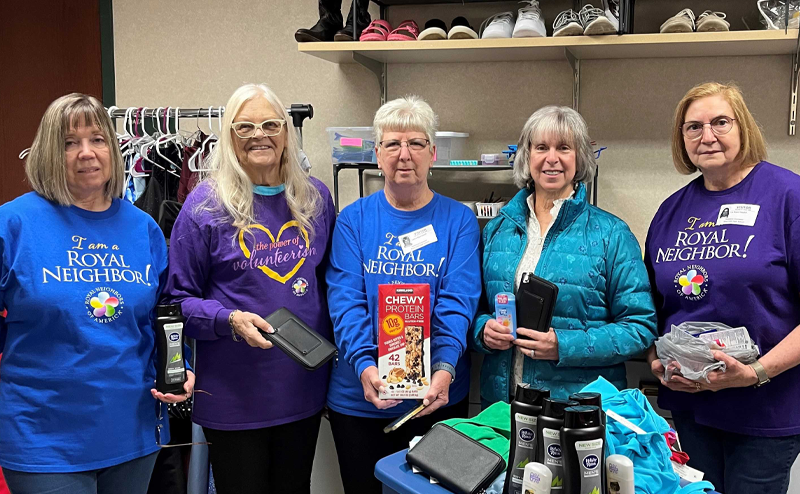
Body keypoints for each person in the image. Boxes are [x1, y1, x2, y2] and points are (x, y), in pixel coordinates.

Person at [0, 93, 193, 494]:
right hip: (44, 438)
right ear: (49, 152)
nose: (86, 153)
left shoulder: (143, 228)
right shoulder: (14, 224)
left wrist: (181, 367)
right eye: (69, 143)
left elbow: (161, 318)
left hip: (133, 433)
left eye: (98, 139)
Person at [163, 84, 335, 494]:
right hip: (234, 397)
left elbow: (330, 286)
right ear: (230, 138)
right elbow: (176, 301)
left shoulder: (315, 198)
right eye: (245, 127)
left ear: (286, 134)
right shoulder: (204, 206)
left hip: (302, 388)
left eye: (270, 124)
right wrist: (228, 320)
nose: (260, 134)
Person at [645, 82, 800, 494]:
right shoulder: (671, 211)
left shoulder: (788, 196)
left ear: (743, 127)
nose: (706, 136)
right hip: (693, 404)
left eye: (720, 122)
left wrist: (754, 373)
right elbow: (656, 306)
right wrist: (656, 360)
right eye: (692, 127)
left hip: (764, 407)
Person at [326, 96, 481, 494]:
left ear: (432, 153)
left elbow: (457, 302)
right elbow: (346, 302)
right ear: (377, 154)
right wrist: (364, 366)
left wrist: (444, 370)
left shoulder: (459, 220)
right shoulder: (353, 220)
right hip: (361, 399)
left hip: (437, 396)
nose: (404, 154)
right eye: (392, 144)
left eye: (415, 143)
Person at [472, 105, 657, 402]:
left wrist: (564, 345)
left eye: (564, 148)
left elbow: (640, 328)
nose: (552, 158)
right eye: (541, 147)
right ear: (527, 155)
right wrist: (484, 332)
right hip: (502, 406)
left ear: (579, 157)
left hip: (577, 409)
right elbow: (475, 310)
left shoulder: (611, 234)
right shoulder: (498, 230)